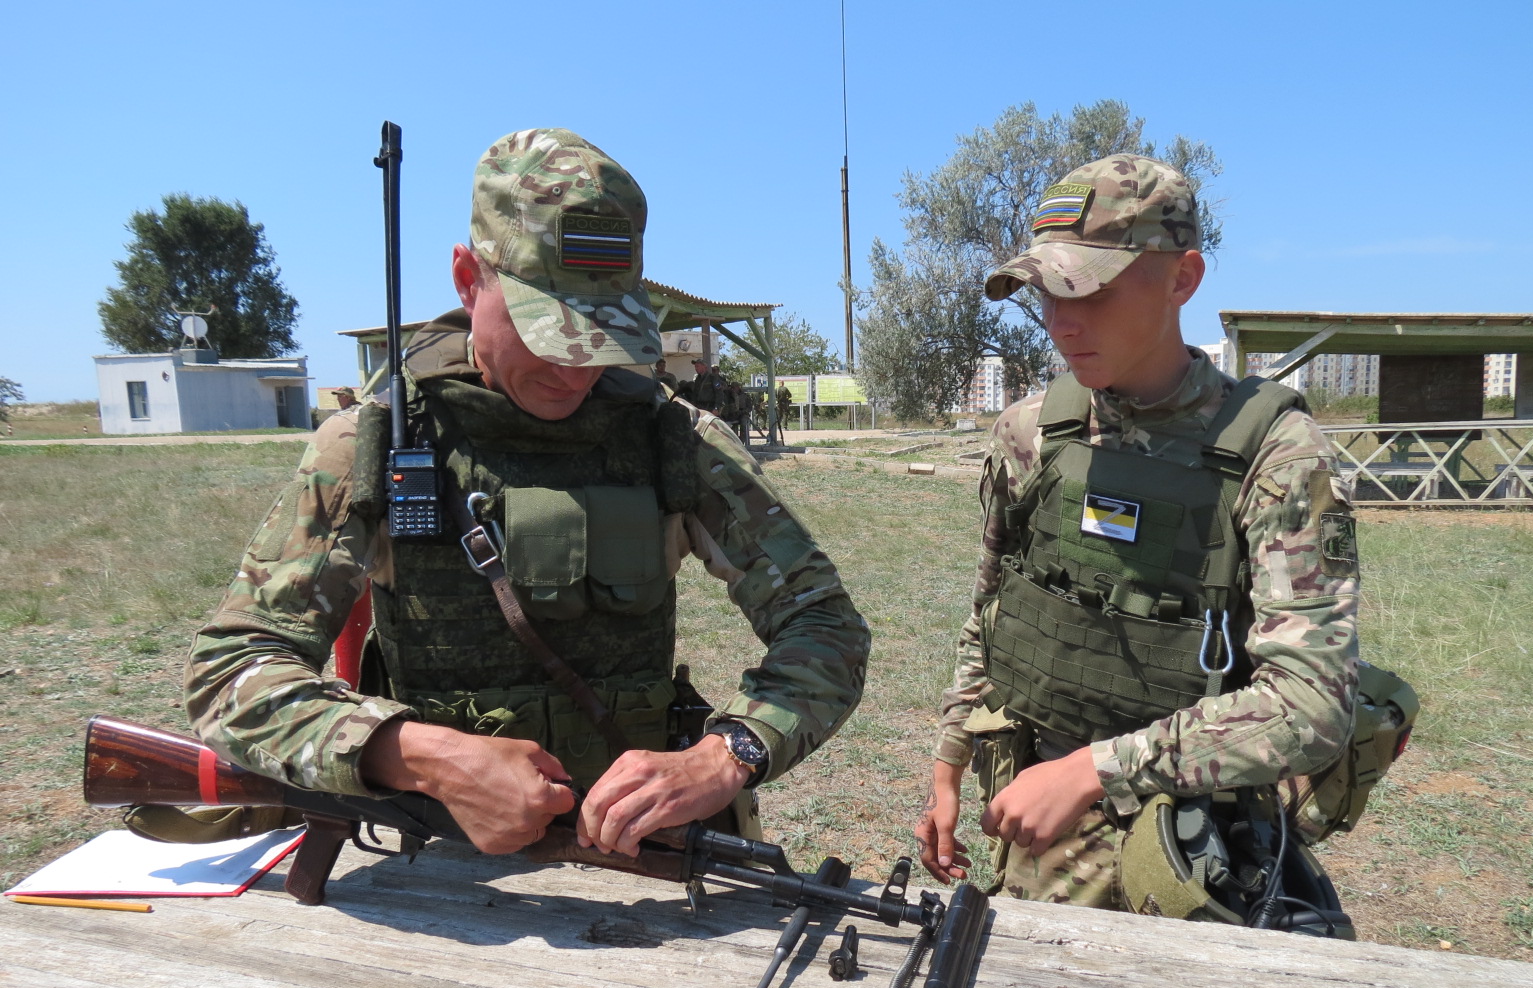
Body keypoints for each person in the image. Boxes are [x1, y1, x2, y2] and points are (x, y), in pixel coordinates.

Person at [185, 128, 870, 861]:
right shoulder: (371, 445)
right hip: (436, 856)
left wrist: (723, 756)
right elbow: (232, 673)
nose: (575, 369)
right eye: (548, 328)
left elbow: (825, 628)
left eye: (604, 333)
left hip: (637, 857)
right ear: (466, 278)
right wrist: (416, 755)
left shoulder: (675, 438)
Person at [916, 155, 1359, 909]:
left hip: (1186, 845)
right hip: (1035, 820)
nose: (1061, 320)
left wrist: (1095, 770)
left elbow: (1312, 704)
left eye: (1091, 289)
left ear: (1183, 278)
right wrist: (949, 763)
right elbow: (990, 616)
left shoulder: (1277, 456)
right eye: (1045, 291)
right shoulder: (1032, 433)